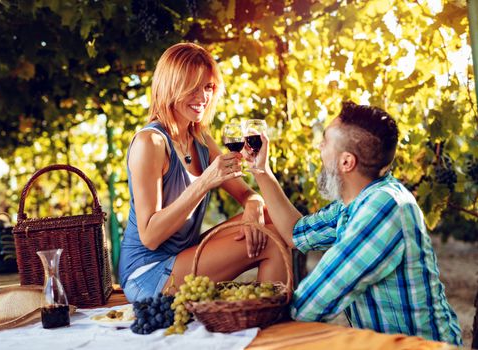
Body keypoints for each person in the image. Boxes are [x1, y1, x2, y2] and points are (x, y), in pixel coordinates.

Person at [244, 101, 462, 345]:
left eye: (325, 141)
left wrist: (248, 319)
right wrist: (260, 170)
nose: (319, 147)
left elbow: (309, 304)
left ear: (346, 162)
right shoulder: (357, 202)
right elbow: (296, 233)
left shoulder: (384, 207)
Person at [118, 42, 288, 302]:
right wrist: (205, 182)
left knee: (269, 218)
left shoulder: (200, 140)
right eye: (193, 87)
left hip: (183, 255)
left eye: (208, 87)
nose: (203, 97)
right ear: (171, 86)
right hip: (147, 274)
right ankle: (271, 329)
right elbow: (150, 236)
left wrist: (254, 205)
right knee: (272, 240)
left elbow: (247, 194)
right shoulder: (150, 143)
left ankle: (264, 317)